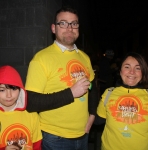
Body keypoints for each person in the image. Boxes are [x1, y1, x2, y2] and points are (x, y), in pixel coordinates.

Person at [25, 7, 98, 150]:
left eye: (74, 23)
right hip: (55, 138)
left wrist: (93, 114)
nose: (69, 28)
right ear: (54, 28)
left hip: (83, 133)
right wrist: (70, 93)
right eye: (63, 23)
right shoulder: (41, 59)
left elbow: (93, 87)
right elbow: (31, 102)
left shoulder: (84, 57)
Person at [97, 52, 148, 150]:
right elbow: (98, 121)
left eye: (137, 68)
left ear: (143, 72)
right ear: (120, 71)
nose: (132, 72)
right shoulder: (109, 93)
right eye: (127, 67)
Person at [0, 65, 42, 150]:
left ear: (20, 90)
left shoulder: (31, 115)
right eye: (2, 90)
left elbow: (37, 145)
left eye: (14, 89)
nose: (9, 95)